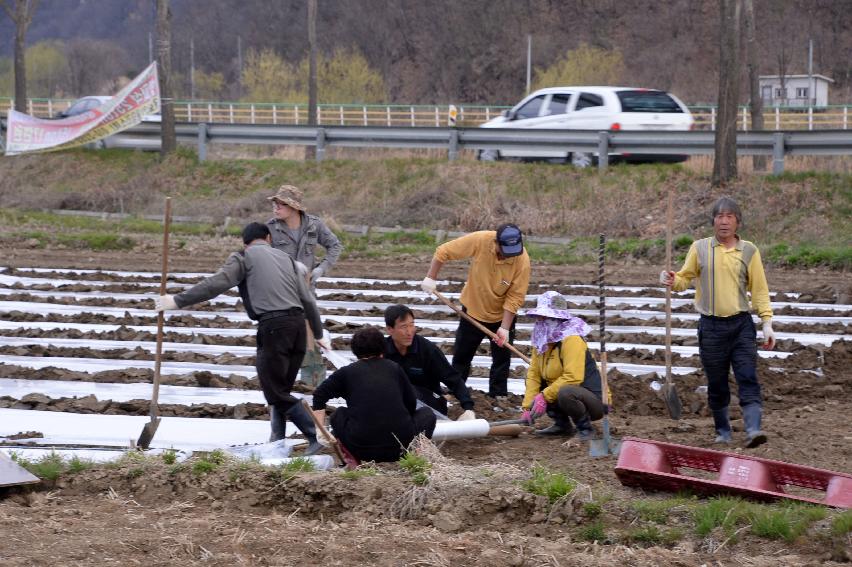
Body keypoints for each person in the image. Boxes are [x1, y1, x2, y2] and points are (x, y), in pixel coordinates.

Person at [154, 222, 330, 454]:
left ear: (245, 242)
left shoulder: (243, 257)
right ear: (268, 238)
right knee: (281, 388)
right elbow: (307, 300)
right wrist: (318, 333)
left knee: (275, 392)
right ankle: (277, 439)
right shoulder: (286, 260)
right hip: (298, 327)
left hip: (274, 328)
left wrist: (176, 301)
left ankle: (315, 435)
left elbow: (217, 283)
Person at [660, 197, 775, 448]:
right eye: (719, 216)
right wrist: (671, 280)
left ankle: (753, 429)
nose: (724, 221)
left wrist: (766, 321)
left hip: (741, 325)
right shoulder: (699, 248)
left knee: (747, 376)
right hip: (711, 328)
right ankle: (722, 431)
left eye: (729, 216)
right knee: (717, 382)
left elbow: (759, 289)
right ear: (713, 221)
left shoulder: (749, 251)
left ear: (737, 221)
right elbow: (684, 279)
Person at [266, 184, 344, 432]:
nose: (276, 207)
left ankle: (317, 419)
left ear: (294, 207)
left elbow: (335, 246)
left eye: (281, 203)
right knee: (279, 363)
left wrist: (320, 270)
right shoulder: (270, 229)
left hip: (306, 299)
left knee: (312, 358)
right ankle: (277, 426)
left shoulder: (314, 225)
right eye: (275, 203)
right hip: (280, 300)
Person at [421, 223, 531, 398]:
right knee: (462, 355)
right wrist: (431, 278)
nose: (506, 257)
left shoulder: (521, 260)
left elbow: (515, 296)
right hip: (473, 310)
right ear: (496, 243)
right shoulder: (480, 240)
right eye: (503, 252)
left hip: (501, 316)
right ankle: (455, 391)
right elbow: (444, 251)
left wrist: (504, 328)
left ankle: (498, 395)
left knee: (501, 360)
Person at [311, 327, 437, 463]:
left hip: (361, 448)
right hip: (400, 448)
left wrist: (320, 429)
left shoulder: (347, 372)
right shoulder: (394, 368)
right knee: (427, 414)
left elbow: (319, 395)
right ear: (382, 348)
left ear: (355, 350)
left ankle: (353, 460)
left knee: (338, 415)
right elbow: (411, 402)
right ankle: (415, 455)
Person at [521, 291, 606, 439]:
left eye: (546, 317)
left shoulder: (571, 339)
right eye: (540, 317)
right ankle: (562, 425)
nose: (541, 321)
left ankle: (585, 429)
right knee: (538, 383)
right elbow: (534, 373)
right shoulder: (542, 342)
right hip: (565, 394)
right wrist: (528, 406)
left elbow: (573, 377)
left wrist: (544, 396)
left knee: (565, 392)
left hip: (591, 401)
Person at [383, 304, 476, 420]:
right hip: (398, 403)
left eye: (412, 325)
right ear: (390, 329)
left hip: (431, 402)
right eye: (403, 327)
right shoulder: (383, 350)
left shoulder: (427, 350)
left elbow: (452, 377)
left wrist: (468, 407)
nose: (409, 332)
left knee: (408, 390)